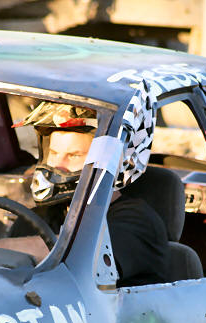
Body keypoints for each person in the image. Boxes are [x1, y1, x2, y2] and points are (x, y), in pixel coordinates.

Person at [24, 101, 169, 287]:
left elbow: (76, 254)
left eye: (74, 155)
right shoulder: (42, 215)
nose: (57, 166)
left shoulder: (138, 221)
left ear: (112, 160)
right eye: (53, 153)